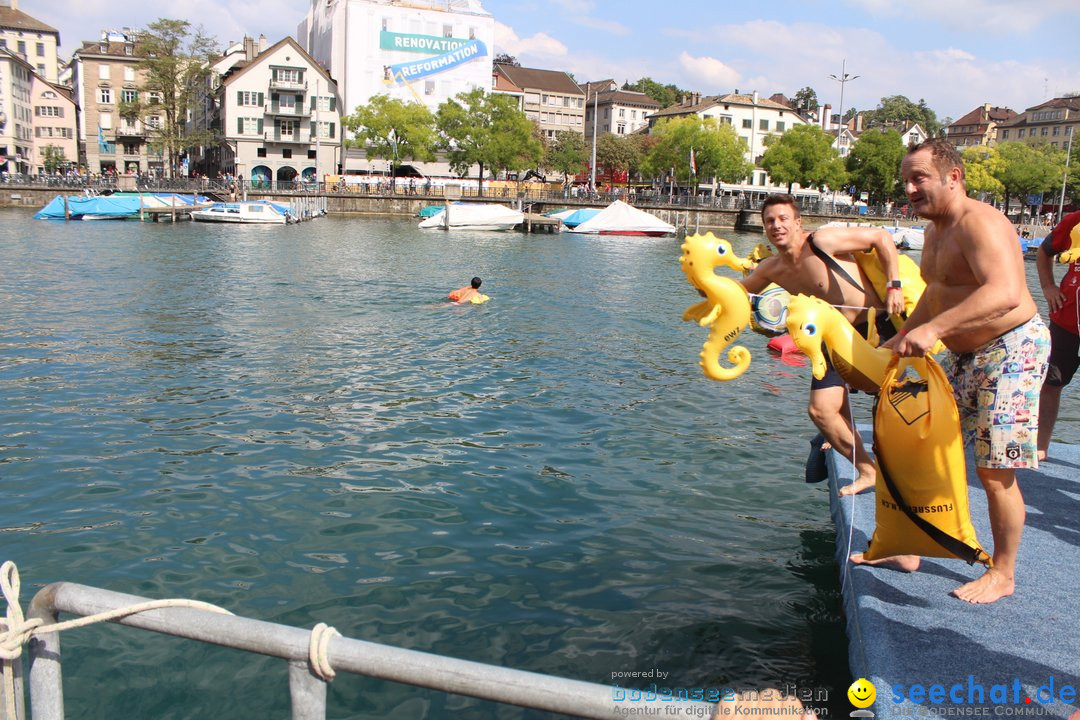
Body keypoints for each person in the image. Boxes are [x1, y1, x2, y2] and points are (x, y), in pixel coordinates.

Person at [853, 138, 1050, 605]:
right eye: (906, 179)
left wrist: (935, 329)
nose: (909, 187)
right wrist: (901, 338)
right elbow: (936, 294)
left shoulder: (980, 222)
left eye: (919, 177)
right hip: (964, 355)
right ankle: (907, 546)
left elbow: (1004, 291)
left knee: (993, 470)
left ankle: (1003, 572)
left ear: (953, 176)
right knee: (919, 448)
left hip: (1012, 349)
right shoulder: (934, 231)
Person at [741, 194, 906, 496]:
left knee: (894, 408)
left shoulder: (823, 241)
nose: (776, 225)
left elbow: (881, 238)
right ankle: (868, 471)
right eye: (769, 221)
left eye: (783, 219)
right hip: (829, 338)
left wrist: (895, 285)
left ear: (797, 222)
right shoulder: (770, 269)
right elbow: (736, 295)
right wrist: (704, 281)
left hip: (875, 328)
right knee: (820, 411)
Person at [1036, 210, 1080, 461]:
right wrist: (1048, 287)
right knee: (1051, 383)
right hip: (1067, 322)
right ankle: (1040, 447)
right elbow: (1044, 252)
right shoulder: (1075, 221)